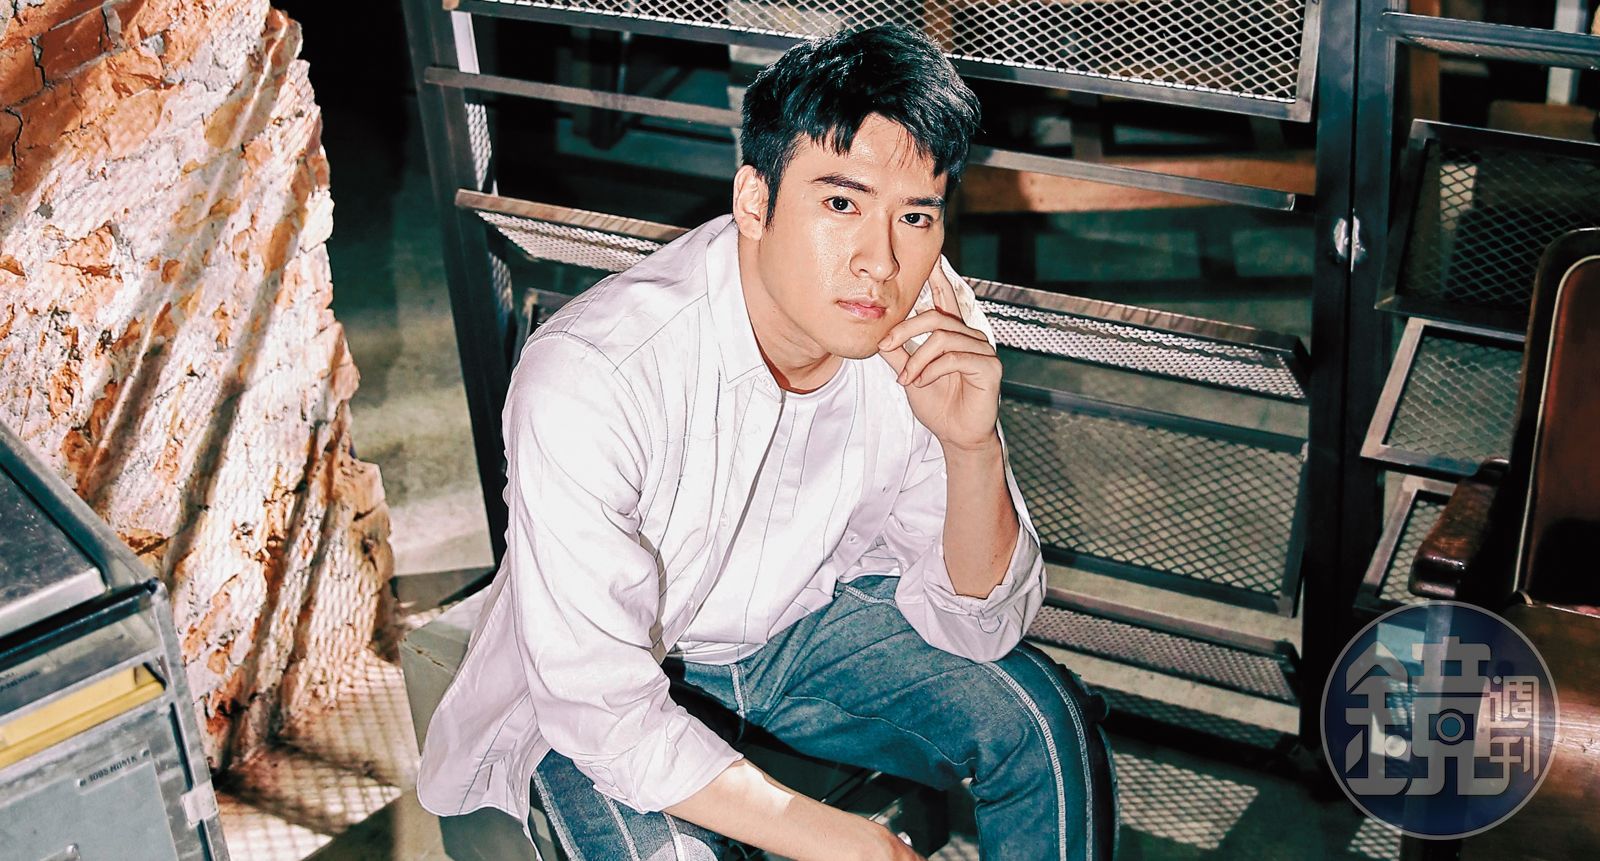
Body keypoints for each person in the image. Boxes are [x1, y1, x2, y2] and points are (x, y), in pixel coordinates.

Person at [417, 23, 1117, 861]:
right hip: (615, 678)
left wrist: (973, 450)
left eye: (914, 216)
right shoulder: (593, 373)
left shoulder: (925, 323)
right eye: (841, 203)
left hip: (801, 627)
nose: (880, 261)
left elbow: (976, 627)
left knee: (1043, 725)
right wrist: (849, 843)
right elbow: (604, 711)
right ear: (754, 201)